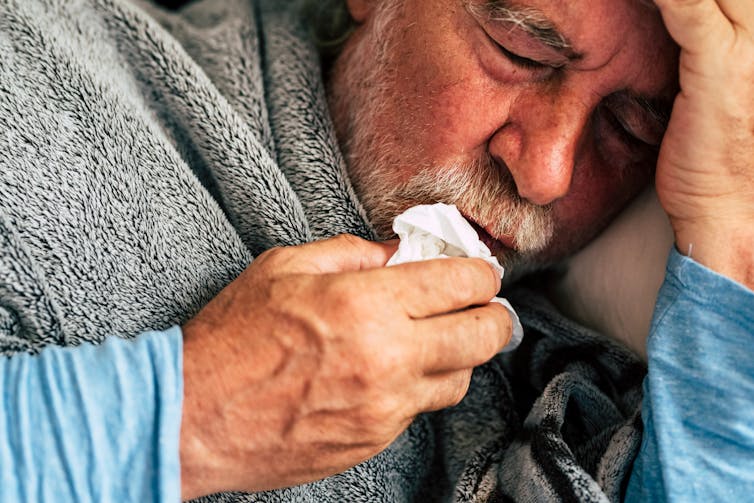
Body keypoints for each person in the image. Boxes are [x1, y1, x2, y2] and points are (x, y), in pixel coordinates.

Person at [0, 0, 751, 501]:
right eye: (519, 50)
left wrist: (723, 218)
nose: (547, 173)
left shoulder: (568, 403)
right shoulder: (31, 81)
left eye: (629, 129)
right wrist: (197, 412)